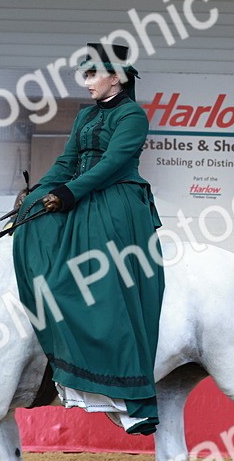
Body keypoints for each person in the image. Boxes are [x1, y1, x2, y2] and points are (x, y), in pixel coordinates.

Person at [12, 43, 165, 435]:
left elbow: (114, 164)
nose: (87, 82)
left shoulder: (133, 115)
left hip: (117, 200)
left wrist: (67, 194)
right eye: (84, 75)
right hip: (81, 194)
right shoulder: (85, 116)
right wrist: (40, 191)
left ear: (116, 76)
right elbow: (67, 160)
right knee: (32, 224)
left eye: (93, 74)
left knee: (94, 272)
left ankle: (122, 386)